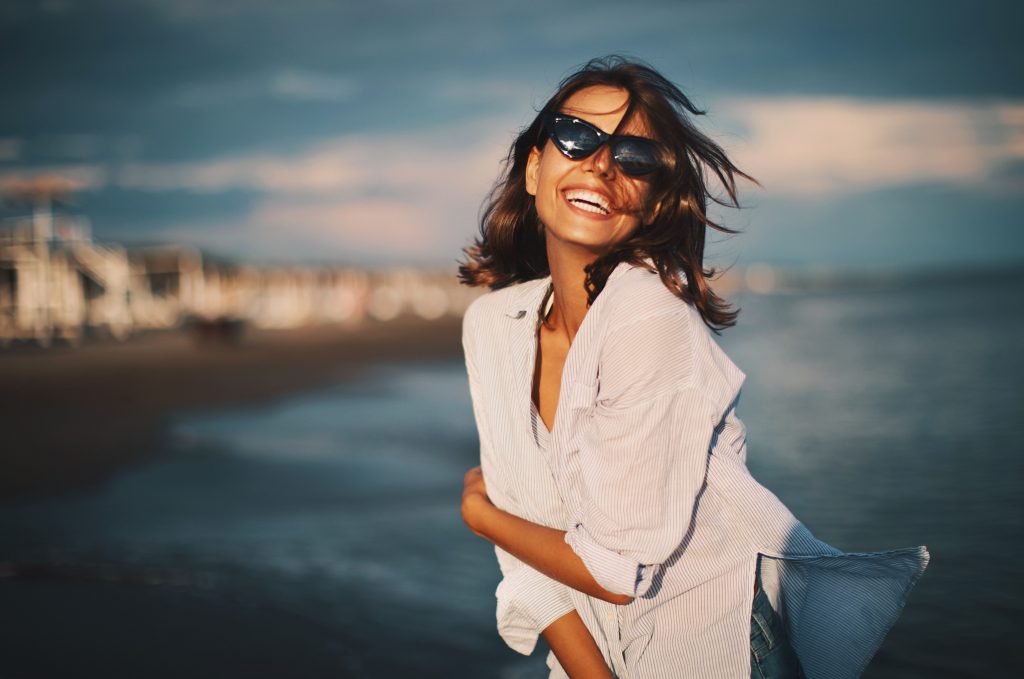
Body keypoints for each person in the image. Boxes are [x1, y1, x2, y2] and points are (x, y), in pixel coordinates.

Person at [458, 56, 929, 679]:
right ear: (535, 165)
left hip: (718, 650)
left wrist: (481, 516)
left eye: (635, 157)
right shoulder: (493, 326)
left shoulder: (648, 318)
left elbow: (612, 570)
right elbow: (528, 564)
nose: (601, 163)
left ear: (653, 203)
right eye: (576, 137)